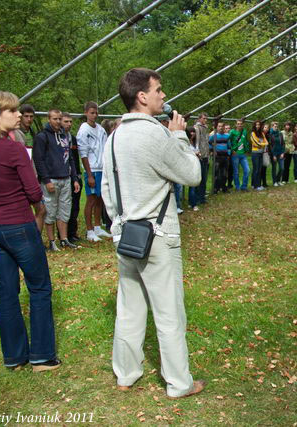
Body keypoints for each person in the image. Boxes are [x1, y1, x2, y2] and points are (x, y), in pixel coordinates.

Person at [101, 67, 204, 398]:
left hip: (126, 233)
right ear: (142, 96)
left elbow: (107, 188)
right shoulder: (155, 134)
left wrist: (119, 223)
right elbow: (192, 174)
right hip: (158, 235)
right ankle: (179, 383)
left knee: (129, 309)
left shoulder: (114, 135)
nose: (163, 96)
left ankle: (125, 373)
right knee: (169, 312)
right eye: (158, 90)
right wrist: (178, 136)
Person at [0, 91, 60, 372]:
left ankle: (14, 357)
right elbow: (33, 190)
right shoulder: (13, 149)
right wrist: (40, 210)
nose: (18, 114)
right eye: (12, 110)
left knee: (7, 292)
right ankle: (42, 356)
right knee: (39, 287)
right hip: (18, 226)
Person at [32, 110, 80, 251]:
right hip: (51, 179)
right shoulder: (42, 137)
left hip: (65, 178)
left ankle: (64, 239)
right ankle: (51, 241)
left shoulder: (64, 136)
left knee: (64, 211)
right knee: (50, 211)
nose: (58, 121)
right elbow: (39, 160)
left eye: (60, 119)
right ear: (49, 119)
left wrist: (74, 178)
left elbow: (70, 157)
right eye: (55, 119)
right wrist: (46, 180)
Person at [77, 101, 112, 242]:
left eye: (96, 112)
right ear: (86, 113)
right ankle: (89, 230)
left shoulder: (101, 129)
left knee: (100, 199)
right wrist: (89, 174)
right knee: (91, 200)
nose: (94, 115)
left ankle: (98, 227)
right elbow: (83, 153)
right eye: (92, 112)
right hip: (92, 169)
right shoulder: (83, 130)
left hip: (102, 168)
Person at [62, 113, 83, 243]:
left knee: (75, 206)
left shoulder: (73, 139)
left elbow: (75, 158)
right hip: (63, 176)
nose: (69, 124)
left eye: (70, 121)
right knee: (65, 206)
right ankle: (64, 234)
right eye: (66, 121)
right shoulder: (57, 139)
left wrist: (77, 175)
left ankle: (73, 232)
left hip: (75, 176)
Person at [209, 122, 231, 194]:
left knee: (224, 173)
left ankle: (224, 187)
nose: (221, 128)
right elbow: (209, 143)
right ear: (217, 127)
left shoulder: (227, 136)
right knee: (216, 173)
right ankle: (216, 188)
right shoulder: (213, 136)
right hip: (217, 157)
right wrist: (212, 150)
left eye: (222, 126)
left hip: (225, 157)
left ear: (224, 127)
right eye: (219, 126)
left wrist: (228, 154)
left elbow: (229, 146)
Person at [194, 113, 210, 205]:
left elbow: (206, 141)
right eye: (204, 118)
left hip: (205, 156)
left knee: (204, 178)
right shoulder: (197, 128)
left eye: (206, 118)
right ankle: (197, 198)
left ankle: (202, 197)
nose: (205, 120)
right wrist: (198, 152)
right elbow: (197, 141)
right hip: (199, 156)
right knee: (199, 178)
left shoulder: (205, 128)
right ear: (199, 119)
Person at [229, 119, 250, 191]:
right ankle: (237, 187)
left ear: (243, 124)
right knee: (236, 171)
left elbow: (246, 141)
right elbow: (228, 141)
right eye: (238, 124)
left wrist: (247, 150)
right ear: (236, 125)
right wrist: (232, 150)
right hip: (235, 154)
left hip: (243, 154)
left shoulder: (244, 131)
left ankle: (244, 186)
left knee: (247, 170)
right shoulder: (232, 132)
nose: (239, 125)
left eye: (241, 124)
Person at [250, 120, 267, 191]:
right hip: (255, 153)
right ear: (254, 125)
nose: (258, 126)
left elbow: (266, 142)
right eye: (256, 125)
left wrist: (261, 144)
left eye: (259, 125)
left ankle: (255, 185)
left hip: (261, 153)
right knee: (256, 169)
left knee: (259, 169)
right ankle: (256, 186)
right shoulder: (252, 133)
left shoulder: (262, 133)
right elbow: (256, 143)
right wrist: (261, 144)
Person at [269, 121, 285, 186]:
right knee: (274, 168)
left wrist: (283, 153)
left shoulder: (280, 133)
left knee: (282, 168)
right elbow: (270, 145)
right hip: (274, 154)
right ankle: (274, 182)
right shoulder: (270, 134)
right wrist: (273, 155)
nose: (276, 127)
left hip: (280, 153)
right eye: (275, 126)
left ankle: (278, 180)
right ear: (272, 126)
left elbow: (283, 143)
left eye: (277, 126)